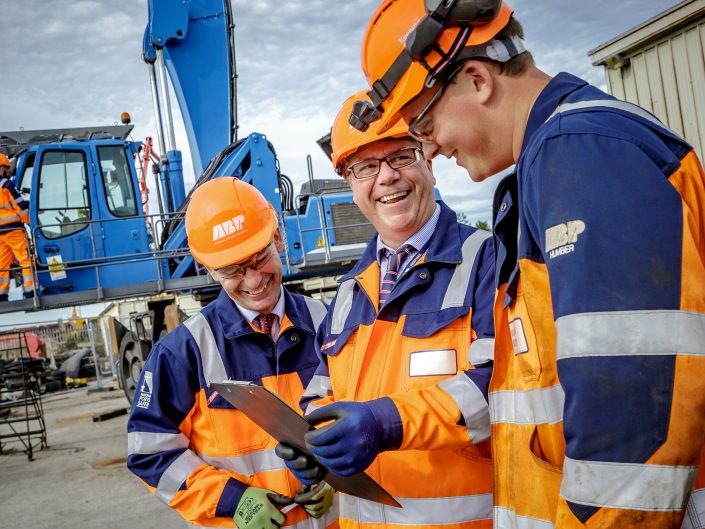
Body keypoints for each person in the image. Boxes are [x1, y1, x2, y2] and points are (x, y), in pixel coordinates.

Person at [291, 1, 705, 528]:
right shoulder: (557, 164)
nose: (432, 147)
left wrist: (388, 422)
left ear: (477, 80)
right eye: (365, 167)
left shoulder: (586, 155)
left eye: (422, 124)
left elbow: (631, 414)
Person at [278, 89, 496, 529]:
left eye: (400, 156)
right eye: (366, 167)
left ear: (429, 160)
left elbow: (503, 389)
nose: (387, 178)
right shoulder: (348, 292)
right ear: (350, 185)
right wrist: (313, 439)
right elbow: (323, 388)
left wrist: (386, 423)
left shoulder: (487, 262)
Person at [126, 177, 337, 529]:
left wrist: (337, 476)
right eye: (233, 270)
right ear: (209, 269)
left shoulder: (329, 323)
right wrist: (229, 499)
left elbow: (363, 415)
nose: (254, 281)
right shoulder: (183, 353)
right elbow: (150, 453)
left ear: (279, 238)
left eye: (259, 258)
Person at [0, 152, 34, 301]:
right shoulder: (6, 185)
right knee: (25, 260)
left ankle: (2, 294)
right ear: (0, 168)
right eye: (6, 168)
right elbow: (20, 207)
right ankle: (29, 291)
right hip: (14, 230)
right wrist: (30, 224)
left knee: (2, 264)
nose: (7, 171)